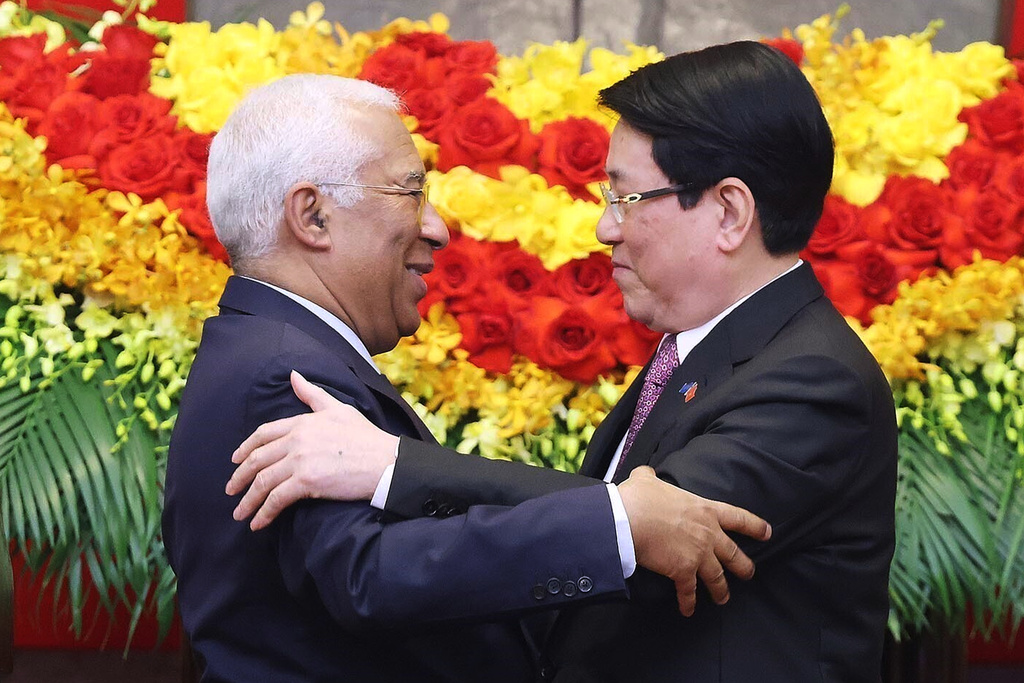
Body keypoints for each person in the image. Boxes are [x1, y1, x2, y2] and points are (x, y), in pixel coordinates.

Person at [227, 41, 898, 682]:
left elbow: (655, 541)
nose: (606, 228)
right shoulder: (700, 348)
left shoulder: (811, 379)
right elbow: (620, 518)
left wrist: (390, 468)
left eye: (625, 198)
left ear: (728, 211)